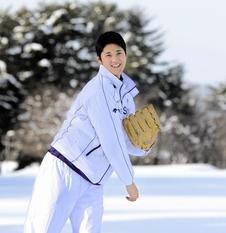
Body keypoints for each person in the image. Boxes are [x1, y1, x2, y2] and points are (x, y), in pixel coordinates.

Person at [24, 31, 152, 233]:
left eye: (118, 53)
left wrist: (144, 147)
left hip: (93, 181)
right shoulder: (98, 91)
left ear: (126, 54)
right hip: (65, 168)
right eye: (108, 55)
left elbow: (124, 139)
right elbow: (111, 140)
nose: (115, 59)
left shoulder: (125, 94)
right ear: (99, 59)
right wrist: (129, 181)